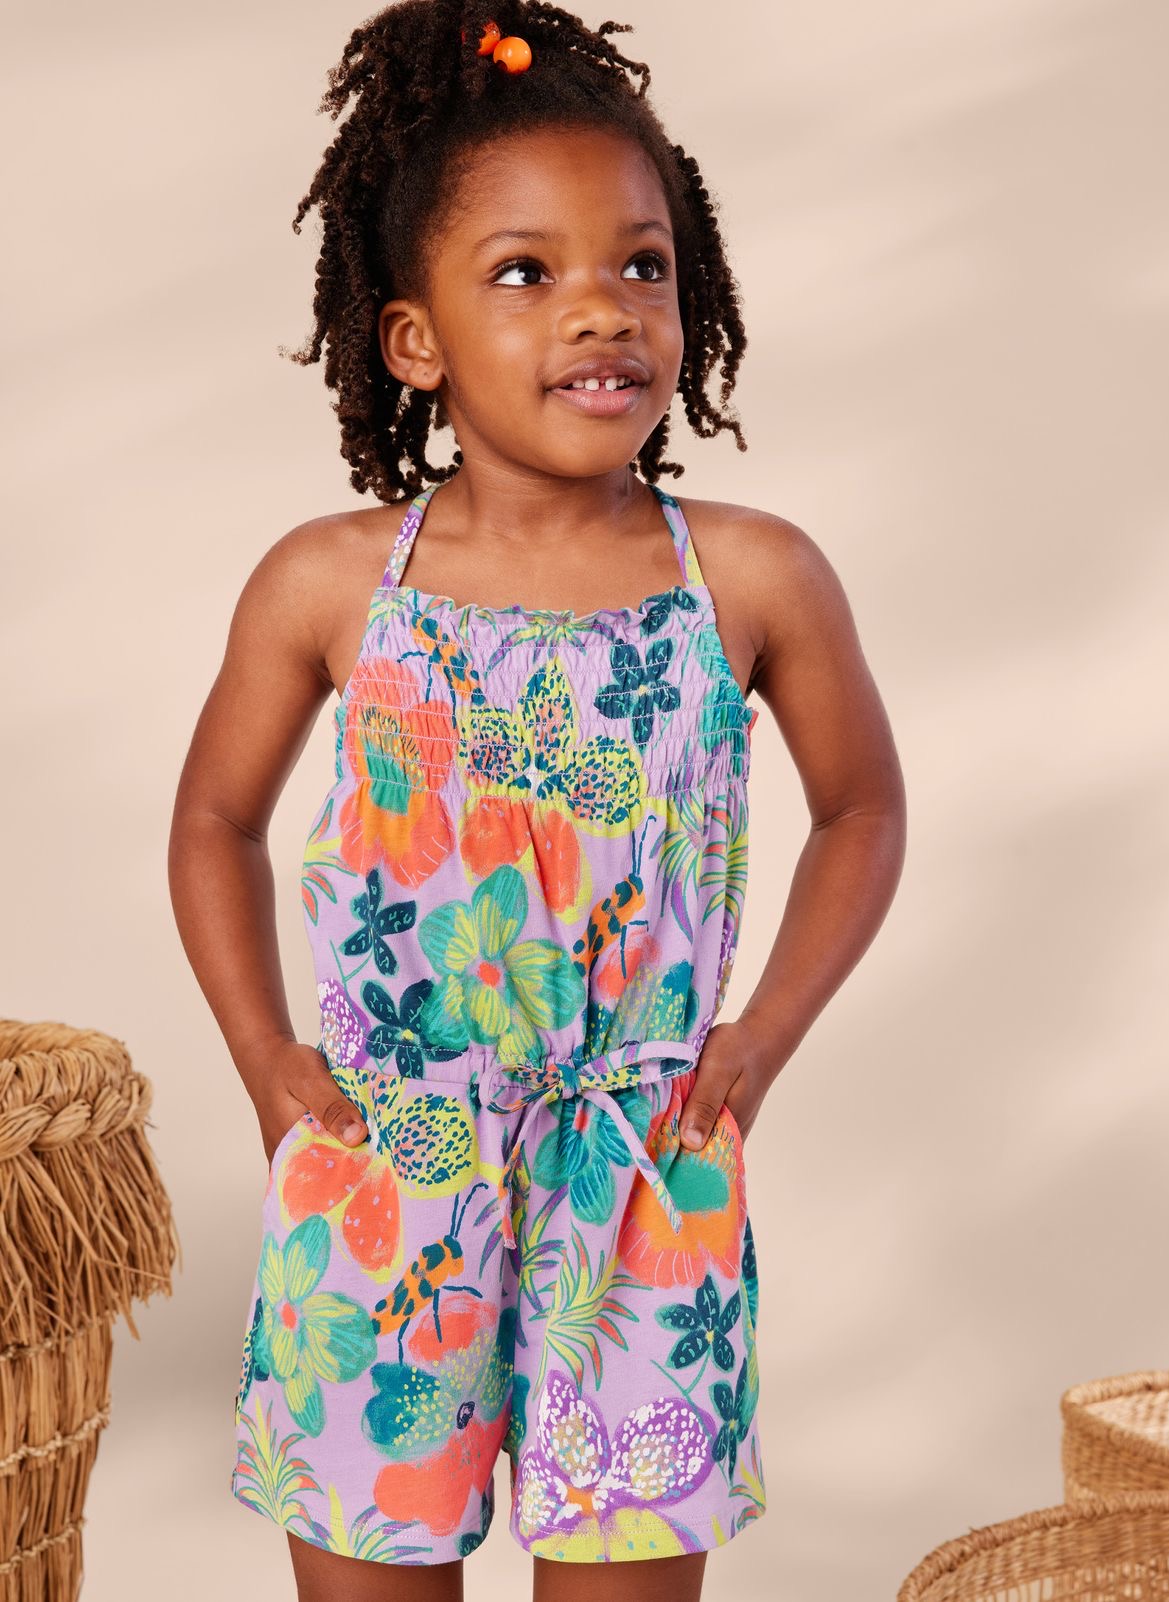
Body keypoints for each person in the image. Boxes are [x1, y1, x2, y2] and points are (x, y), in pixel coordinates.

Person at [167, 3, 905, 1598]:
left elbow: (863, 809)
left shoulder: (752, 579)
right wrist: (264, 1054)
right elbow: (214, 819)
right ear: (413, 339)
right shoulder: (331, 585)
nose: (601, 308)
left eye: (642, 263)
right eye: (525, 271)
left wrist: (759, 1038)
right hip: (388, 1168)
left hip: (640, 1175)